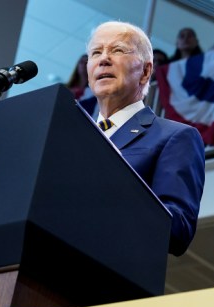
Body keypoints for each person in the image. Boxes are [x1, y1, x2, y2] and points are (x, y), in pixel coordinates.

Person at [86, 20, 205, 256]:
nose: (104, 59)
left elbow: (177, 230)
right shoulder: (71, 137)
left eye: (118, 50)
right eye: (96, 52)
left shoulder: (176, 137)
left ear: (146, 71)